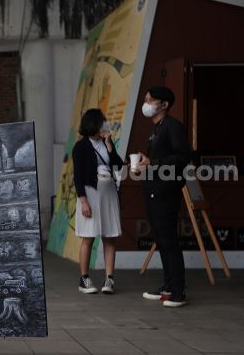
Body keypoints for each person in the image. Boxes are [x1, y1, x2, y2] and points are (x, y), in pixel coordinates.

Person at [135, 86, 191, 308]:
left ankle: (178, 291)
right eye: (146, 99)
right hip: (153, 188)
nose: (146, 103)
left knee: (169, 241)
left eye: (151, 100)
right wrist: (143, 165)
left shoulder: (173, 126)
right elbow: (157, 159)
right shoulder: (156, 128)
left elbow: (182, 157)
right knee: (161, 240)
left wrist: (153, 164)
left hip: (166, 191)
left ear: (164, 105)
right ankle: (168, 286)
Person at [72, 109, 124, 294]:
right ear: (93, 124)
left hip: (109, 194)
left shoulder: (106, 142)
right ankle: (84, 279)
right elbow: (77, 176)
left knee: (109, 238)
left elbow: (118, 165)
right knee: (88, 237)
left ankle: (109, 279)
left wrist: (110, 145)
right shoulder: (80, 147)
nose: (105, 124)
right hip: (90, 194)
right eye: (102, 121)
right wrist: (83, 201)